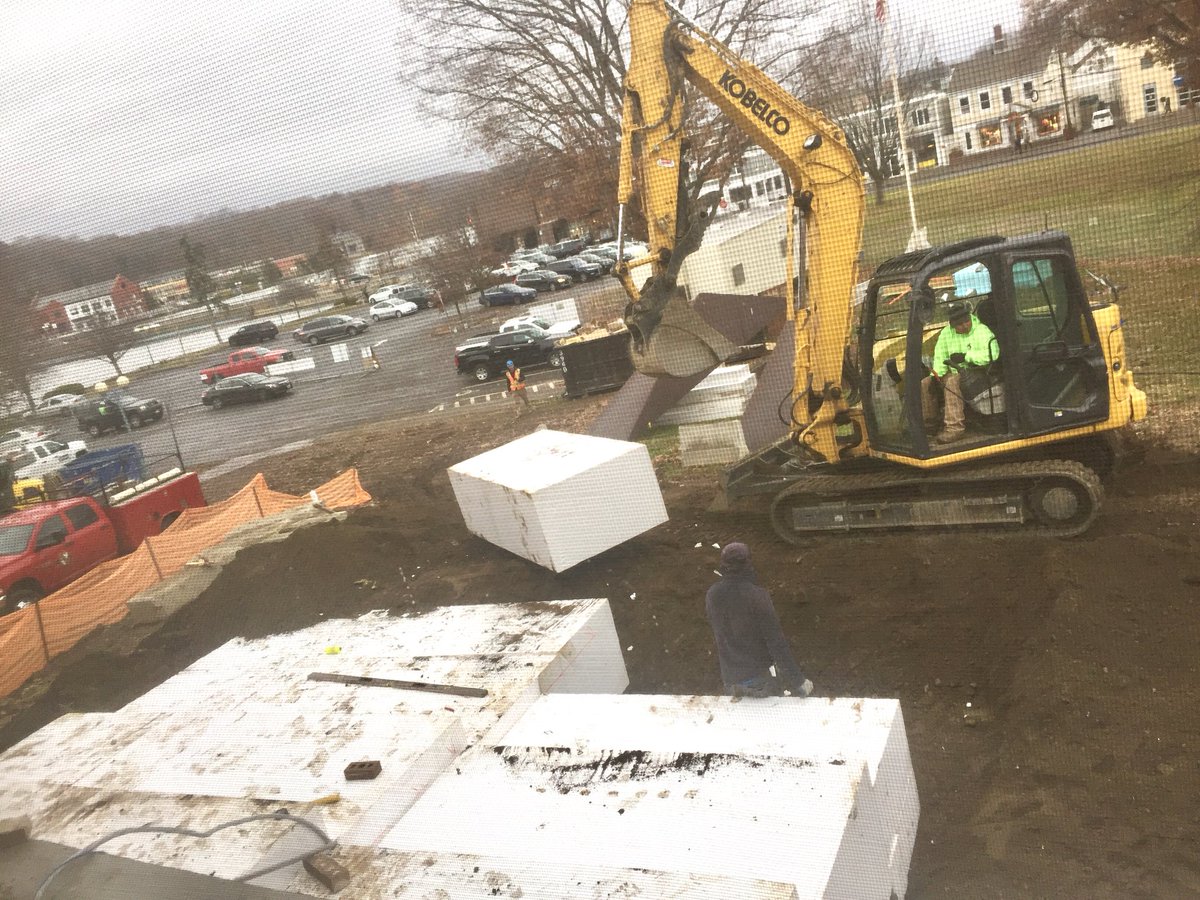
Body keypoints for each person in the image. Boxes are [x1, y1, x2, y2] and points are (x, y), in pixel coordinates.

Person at [704, 542, 813, 699]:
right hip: (759, 681)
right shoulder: (757, 596)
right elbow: (776, 642)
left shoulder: (712, 595)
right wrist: (798, 682)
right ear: (747, 564)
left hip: (731, 681)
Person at [924, 299, 1000, 444]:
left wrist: (966, 357)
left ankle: (954, 428)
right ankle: (930, 424)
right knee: (925, 383)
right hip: (955, 371)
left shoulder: (982, 331)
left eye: (966, 321)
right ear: (952, 325)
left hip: (978, 371)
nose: (964, 325)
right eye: (959, 324)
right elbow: (940, 357)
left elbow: (992, 354)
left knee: (952, 382)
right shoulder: (946, 334)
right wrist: (936, 376)